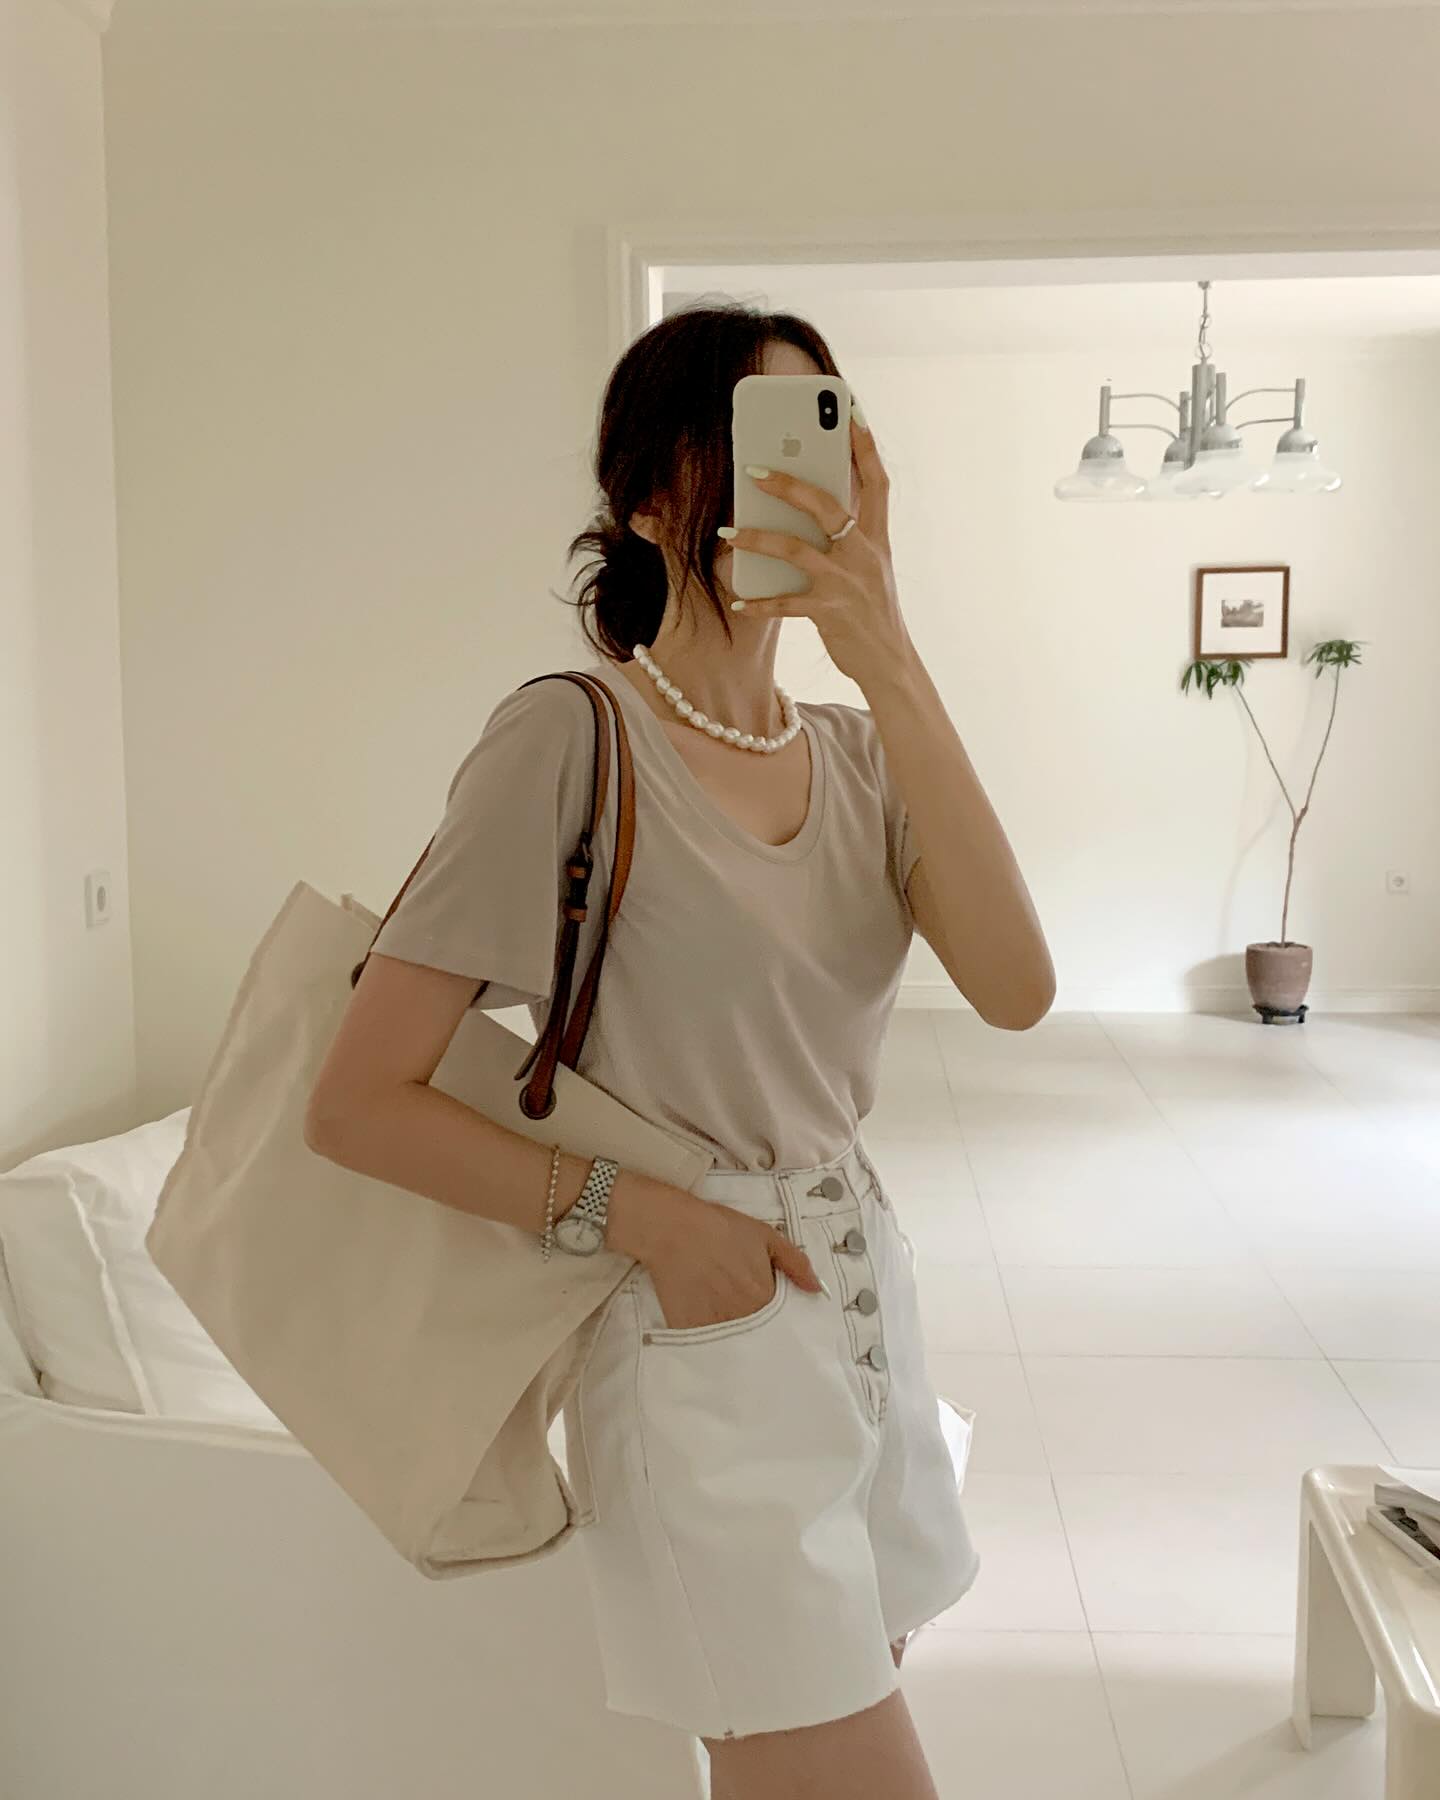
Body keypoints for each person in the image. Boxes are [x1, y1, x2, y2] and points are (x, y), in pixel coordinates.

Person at [305, 303, 1054, 1800]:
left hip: (864, 1321)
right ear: (654, 494)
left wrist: (890, 655)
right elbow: (358, 1101)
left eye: (822, 434)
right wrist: (650, 1220)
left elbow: (1019, 988)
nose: (800, 480)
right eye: (754, 439)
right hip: (693, 1336)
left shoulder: (862, 752)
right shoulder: (570, 739)